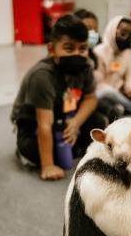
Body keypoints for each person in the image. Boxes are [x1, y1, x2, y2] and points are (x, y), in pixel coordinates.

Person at [11, 14, 106, 181]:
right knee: (35, 151)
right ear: (52, 49)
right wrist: (48, 166)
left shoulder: (86, 66)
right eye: (69, 48)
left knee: (98, 121)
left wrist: (76, 121)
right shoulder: (42, 75)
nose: (77, 54)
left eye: (82, 48)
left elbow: (91, 98)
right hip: (33, 121)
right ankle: (27, 151)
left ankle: (70, 145)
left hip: (65, 112)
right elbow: (44, 123)